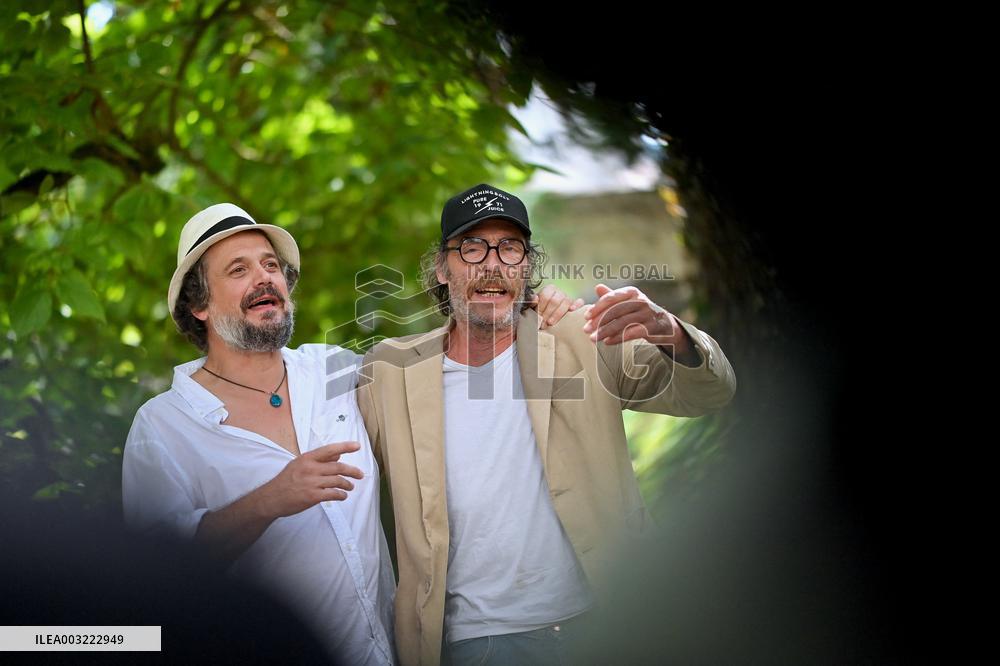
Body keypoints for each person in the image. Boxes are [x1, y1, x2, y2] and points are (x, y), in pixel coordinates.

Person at [121, 202, 579, 665]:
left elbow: (453, 362)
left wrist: (523, 310)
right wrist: (269, 500)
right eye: (238, 270)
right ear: (198, 304)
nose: (264, 279)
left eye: (272, 266)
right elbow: (160, 575)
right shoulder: (163, 426)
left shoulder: (338, 371)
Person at [357, 183, 738, 665]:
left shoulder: (584, 339)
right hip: (472, 642)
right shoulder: (390, 373)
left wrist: (671, 331)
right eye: (471, 248)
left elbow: (711, 392)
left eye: (510, 247)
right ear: (441, 267)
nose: (492, 264)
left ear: (527, 268)